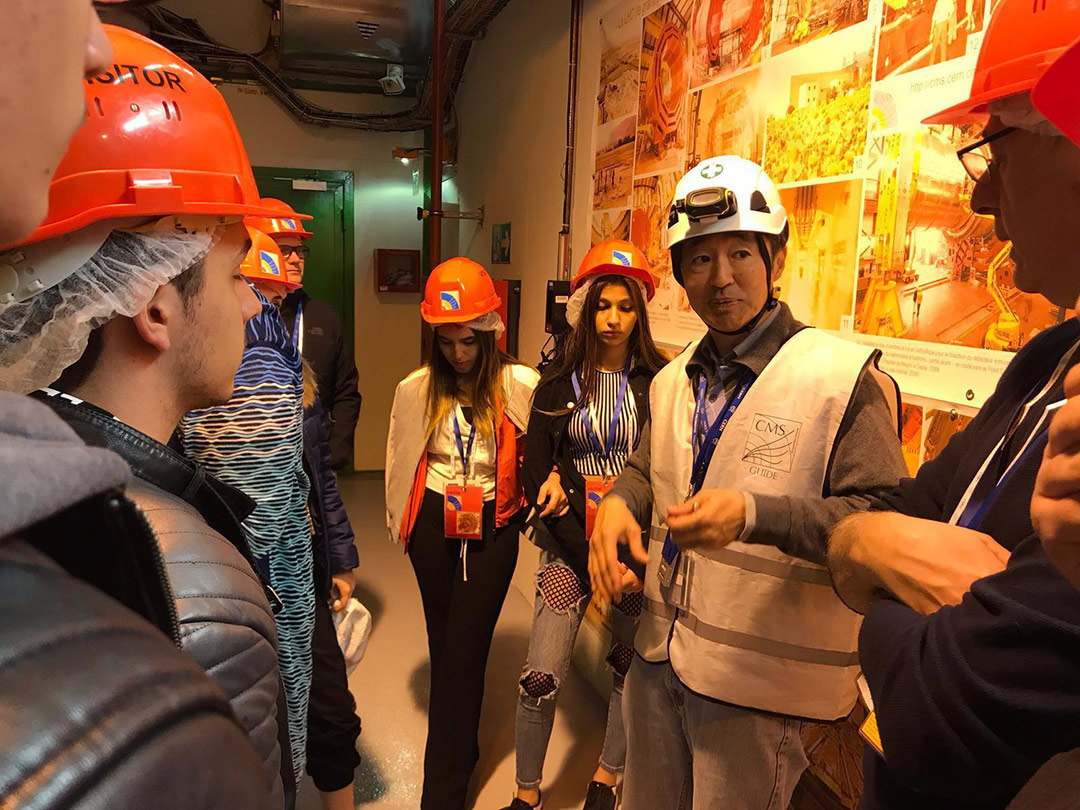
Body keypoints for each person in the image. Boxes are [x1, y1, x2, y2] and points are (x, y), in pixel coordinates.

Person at [0, 21, 289, 808]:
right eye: (235, 274)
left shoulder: (41, 475)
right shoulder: (196, 600)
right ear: (156, 305)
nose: (254, 302)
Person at [588, 155, 906, 810]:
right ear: (680, 274)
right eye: (700, 259)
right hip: (658, 658)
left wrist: (755, 515)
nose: (721, 278)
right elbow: (650, 468)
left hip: (760, 690)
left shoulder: (841, 381)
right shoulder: (673, 379)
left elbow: (883, 522)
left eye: (740, 253)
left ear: (776, 257)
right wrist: (621, 500)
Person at [825, 1, 1080, 806]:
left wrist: (877, 585)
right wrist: (869, 538)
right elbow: (895, 512)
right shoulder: (1046, 362)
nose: (981, 200)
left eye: (995, 150)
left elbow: (938, 709)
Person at [503, 241, 667, 810]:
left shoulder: (661, 386)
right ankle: (527, 791)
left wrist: (628, 558)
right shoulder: (557, 382)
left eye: (625, 307)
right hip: (570, 544)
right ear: (586, 310)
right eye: (603, 306)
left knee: (626, 666)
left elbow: (667, 473)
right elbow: (534, 470)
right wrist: (584, 548)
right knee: (541, 674)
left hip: (633, 552)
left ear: (639, 313)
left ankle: (607, 776)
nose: (614, 319)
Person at [385, 257, 540, 810]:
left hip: (492, 525)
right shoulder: (416, 388)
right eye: (447, 342)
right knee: (445, 641)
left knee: (464, 651)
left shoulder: (520, 385)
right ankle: (464, 750)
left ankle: (442, 795)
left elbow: (542, 452)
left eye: (469, 340)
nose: (459, 354)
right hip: (434, 522)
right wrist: (398, 521)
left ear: (490, 332)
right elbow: (400, 457)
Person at [179, 227, 314, 790]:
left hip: (256, 559)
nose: (257, 301)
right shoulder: (258, 343)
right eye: (239, 278)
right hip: (255, 566)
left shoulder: (257, 339)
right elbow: (260, 500)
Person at [257, 200, 363, 470]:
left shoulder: (324, 318)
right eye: (284, 250)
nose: (296, 259)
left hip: (314, 457)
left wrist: (335, 453)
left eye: (300, 250)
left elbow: (347, 392)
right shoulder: (240, 314)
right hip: (255, 457)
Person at [301, 357, 363, 810]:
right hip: (231, 569)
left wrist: (340, 559)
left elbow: (321, 476)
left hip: (302, 569)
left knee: (332, 711)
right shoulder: (201, 378)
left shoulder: (293, 375)